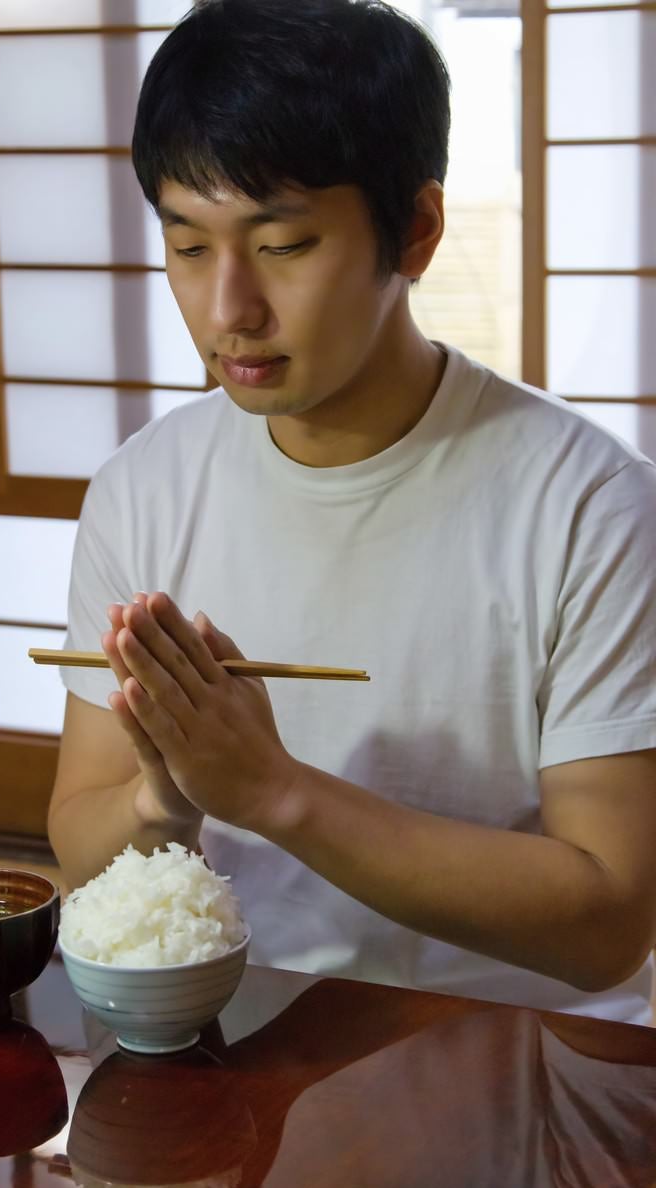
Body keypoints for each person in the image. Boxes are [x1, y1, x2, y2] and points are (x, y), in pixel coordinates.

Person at [48, 0, 656, 1023]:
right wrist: (168, 797)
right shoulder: (142, 490)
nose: (227, 307)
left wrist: (274, 792)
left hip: (515, 1054)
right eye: (188, 246)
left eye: (281, 245)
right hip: (239, 1034)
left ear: (411, 232)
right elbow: (78, 839)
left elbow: (604, 925)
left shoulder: (588, 505)